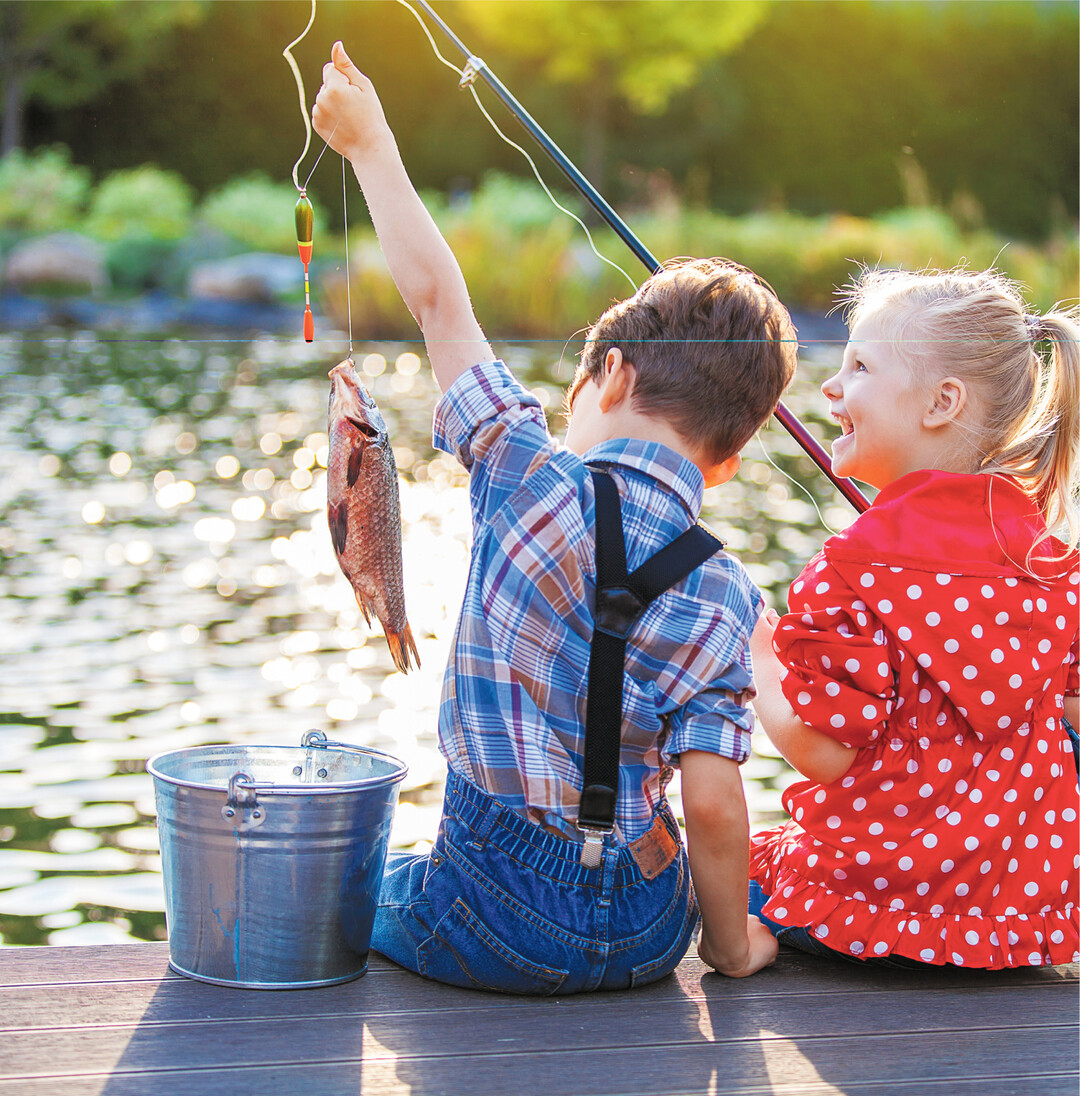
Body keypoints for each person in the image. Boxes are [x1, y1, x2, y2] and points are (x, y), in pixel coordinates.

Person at [313, 42, 797, 992]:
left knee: (357, 889)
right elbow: (713, 801)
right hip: (652, 929)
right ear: (731, 465)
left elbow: (435, 301)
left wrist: (371, 147)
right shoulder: (730, 593)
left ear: (609, 373)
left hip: (492, 913)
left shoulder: (526, 470)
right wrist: (731, 947)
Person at [748, 266, 1080, 968]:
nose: (832, 386)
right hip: (1013, 927)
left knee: (716, 872)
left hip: (865, 909)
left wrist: (758, 655)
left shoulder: (849, 573)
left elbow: (822, 751)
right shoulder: (1054, 567)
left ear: (942, 402)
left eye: (860, 365)